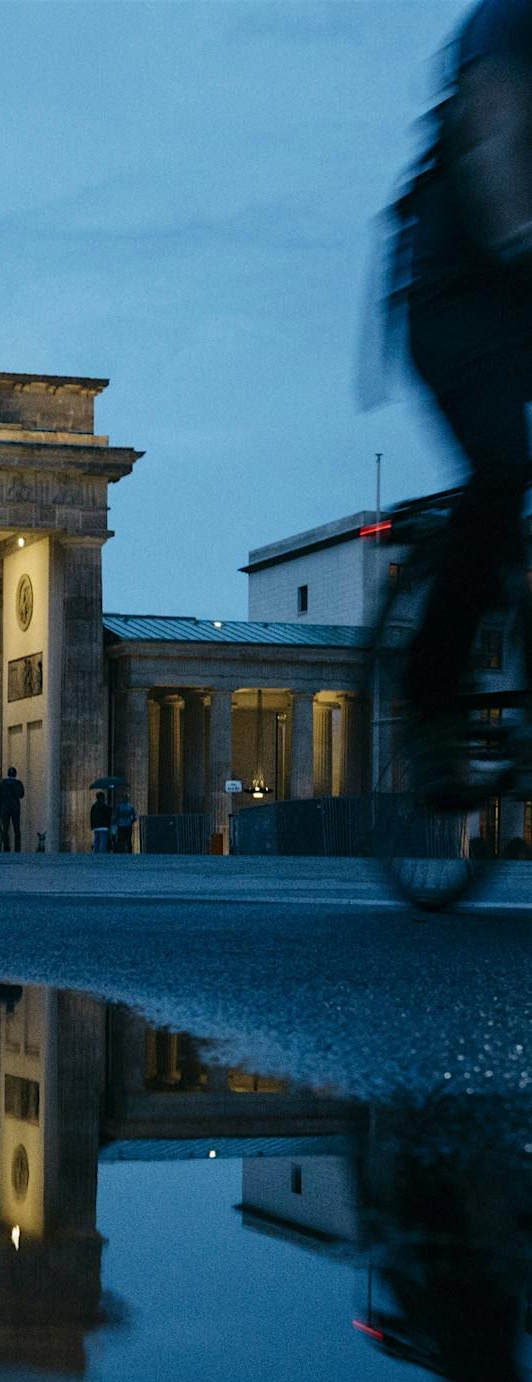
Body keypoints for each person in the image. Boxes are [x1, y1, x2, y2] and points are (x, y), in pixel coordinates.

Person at [394, 0, 532, 793]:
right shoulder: (510, 22)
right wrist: (519, 240)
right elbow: (492, 137)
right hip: (454, 297)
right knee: (503, 468)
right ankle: (433, 701)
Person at [0, 766, 25, 852]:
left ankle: (6, 848)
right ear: (15, 774)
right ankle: (17, 848)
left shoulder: (2, 784)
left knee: (5, 829)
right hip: (15, 808)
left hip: (5, 808)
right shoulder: (18, 783)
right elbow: (21, 795)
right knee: (17, 829)